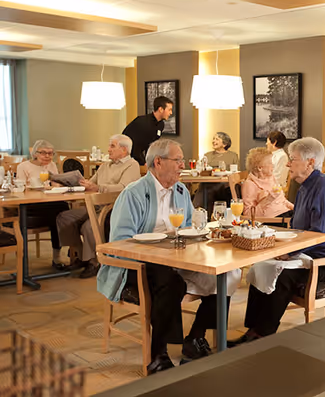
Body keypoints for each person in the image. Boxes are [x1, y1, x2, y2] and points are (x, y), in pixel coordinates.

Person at [97, 139, 239, 374]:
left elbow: (186, 230)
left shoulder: (181, 191)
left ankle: (195, 337)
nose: (183, 164)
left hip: (175, 260)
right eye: (178, 160)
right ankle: (158, 354)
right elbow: (119, 244)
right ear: (159, 162)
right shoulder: (133, 194)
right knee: (170, 281)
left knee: (227, 273)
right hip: (137, 265)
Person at [229, 137, 325, 347]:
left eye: (292, 159)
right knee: (262, 266)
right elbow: (298, 227)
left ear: (310, 162)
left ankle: (262, 335)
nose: (287, 164)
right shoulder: (305, 186)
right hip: (313, 253)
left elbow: (321, 233)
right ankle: (253, 331)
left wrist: (291, 252)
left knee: (283, 275)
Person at [56, 135, 140, 278]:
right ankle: (81, 256)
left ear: (124, 150)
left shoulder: (132, 165)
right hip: (94, 205)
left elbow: (124, 188)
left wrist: (98, 187)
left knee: (88, 226)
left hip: (113, 207)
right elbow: (91, 183)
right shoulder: (105, 165)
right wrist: (70, 183)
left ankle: (94, 262)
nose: (108, 150)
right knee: (64, 217)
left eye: (112, 146)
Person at [17, 140, 69, 269]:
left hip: (48, 202)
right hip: (30, 204)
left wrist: (59, 185)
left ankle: (62, 253)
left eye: (51, 154)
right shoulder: (23, 166)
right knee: (58, 214)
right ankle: (58, 257)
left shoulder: (51, 165)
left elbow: (55, 183)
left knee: (62, 209)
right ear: (35, 153)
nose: (47, 156)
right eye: (44, 153)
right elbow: (20, 188)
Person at [242, 147, 293, 218]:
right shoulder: (250, 184)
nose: (273, 165)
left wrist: (295, 208)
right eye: (270, 163)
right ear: (260, 168)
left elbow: (282, 200)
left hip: (286, 213)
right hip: (274, 219)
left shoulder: (271, 177)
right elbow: (248, 214)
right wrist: (268, 199)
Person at [195, 132, 239, 215]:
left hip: (225, 185)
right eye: (213, 139)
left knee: (207, 189)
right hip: (209, 183)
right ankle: (197, 214)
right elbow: (203, 168)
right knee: (204, 187)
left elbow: (235, 172)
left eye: (217, 139)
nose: (213, 141)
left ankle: (201, 214)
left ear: (224, 144)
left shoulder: (233, 156)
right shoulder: (207, 155)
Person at [122, 96, 173, 165]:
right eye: (169, 110)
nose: (171, 113)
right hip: (127, 159)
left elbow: (151, 146)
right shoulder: (141, 122)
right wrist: (143, 162)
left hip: (142, 160)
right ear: (160, 109)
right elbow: (135, 146)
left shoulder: (161, 125)